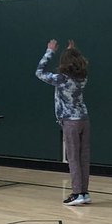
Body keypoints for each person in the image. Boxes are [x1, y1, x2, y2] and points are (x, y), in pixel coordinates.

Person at [35, 38, 90, 205]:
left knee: (73, 158)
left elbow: (39, 71)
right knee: (84, 158)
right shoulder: (83, 77)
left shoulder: (61, 79)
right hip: (84, 119)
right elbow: (75, 61)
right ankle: (84, 192)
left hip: (70, 121)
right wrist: (71, 51)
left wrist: (50, 51)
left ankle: (76, 193)